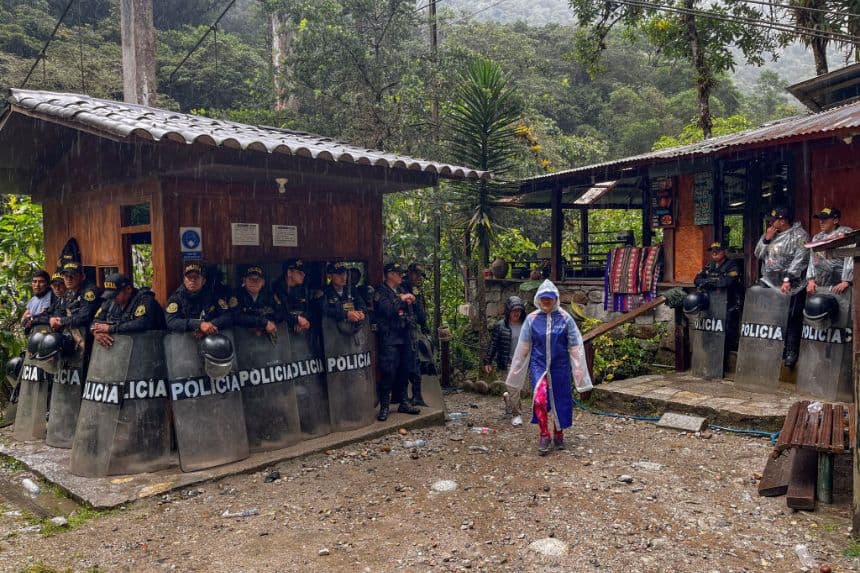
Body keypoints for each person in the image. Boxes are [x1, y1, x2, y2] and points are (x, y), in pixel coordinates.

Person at [505, 280, 593, 456]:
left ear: (555, 299)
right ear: (538, 299)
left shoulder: (565, 319)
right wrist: (516, 370)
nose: (546, 301)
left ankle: (558, 433)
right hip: (539, 366)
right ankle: (544, 434)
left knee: (560, 400)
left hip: (560, 366)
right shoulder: (531, 319)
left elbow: (575, 345)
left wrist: (578, 369)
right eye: (543, 298)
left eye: (549, 298)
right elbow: (523, 346)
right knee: (539, 399)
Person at [753, 206, 810, 367]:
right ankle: (772, 350)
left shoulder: (799, 235)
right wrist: (766, 239)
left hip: (792, 285)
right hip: (771, 283)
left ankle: (791, 352)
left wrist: (788, 279)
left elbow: (801, 259)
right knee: (772, 317)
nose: (771, 223)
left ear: (783, 220)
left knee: (792, 318)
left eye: (774, 220)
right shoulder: (771, 233)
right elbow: (758, 254)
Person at [374, 262, 421, 420]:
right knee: (389, 371)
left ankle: (403, 402)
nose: (401, 276)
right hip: (389, 337)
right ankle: (385, 406)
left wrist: (410, 316)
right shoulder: (381, 291)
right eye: (397, 273)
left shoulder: (401, 290)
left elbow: (409, 311)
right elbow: (387, 310)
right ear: (389, 274)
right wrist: (401, 299)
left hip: (404, 335)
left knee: (405, 369)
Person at [91, 273, 164, 348]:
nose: (113, 298)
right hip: (122, 350)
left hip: (148, 347)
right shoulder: (111, 301)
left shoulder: (145, 299)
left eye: (116, 295)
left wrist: (111, 329)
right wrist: (96, 332)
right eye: (110, 295)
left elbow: (142, 323)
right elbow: (95, 321)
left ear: (128, 289)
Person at [484, 296, 527, 426]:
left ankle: (508, 398)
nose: (516, 313)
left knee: (519, 390)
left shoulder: (526, 325)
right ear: (508, 311)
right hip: (507, 362)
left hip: (523, 362)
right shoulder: (500, 326)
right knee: (514, 388)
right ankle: (516, 414)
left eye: (519, 310)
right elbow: (493, 344)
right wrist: (487, 361)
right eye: (514, 310)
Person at [694, 242, 743, 349]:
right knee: (711, 328)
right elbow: (697, 280)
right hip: (711, 301)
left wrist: (708, 282)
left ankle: (728, 352)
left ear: (724, 252)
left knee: (727, 330)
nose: (715, 253)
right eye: (712, 251)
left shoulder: (732, 265)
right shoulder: (709, 265)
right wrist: (712, 281)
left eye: (718, 251)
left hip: (728, 302)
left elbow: (728, 282)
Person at [165, 262, 233, 336]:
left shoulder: (213, 295)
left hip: (210, 339)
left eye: (196, 277)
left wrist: (209, 326)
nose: (192, 280)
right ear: (184, 280)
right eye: (189, 277)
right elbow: (171, 321)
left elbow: (227, 316)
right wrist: (198, 325)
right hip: (184, 341)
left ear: (203, 281)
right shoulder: (176, 298)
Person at [402, 262, 430, 406]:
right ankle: (411, 396)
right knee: (411, 363)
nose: (419, 277)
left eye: (420, 275)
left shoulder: (415, 288)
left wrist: (424, 325)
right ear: (410, 272)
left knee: (415, 362)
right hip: (405, 329)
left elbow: (420, 309)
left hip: (413, 328)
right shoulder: (404, 286)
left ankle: (416, 395)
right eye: (417, 274)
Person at [807, 207, 853, 295]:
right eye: (820, 219)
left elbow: (850, 258)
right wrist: (810, 280)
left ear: (835, 220)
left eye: (824, 219)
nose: (821, 222)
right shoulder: (817, 238)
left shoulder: (845, 234)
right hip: (819, 284)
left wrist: (847, 281)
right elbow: (812, 261)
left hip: (841, 284)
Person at [49, 261, 101, 335]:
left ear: (82, 277)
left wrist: (61, 321)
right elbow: (60, 310)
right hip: (75, 331)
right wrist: (55, 319)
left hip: (91, 332)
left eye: (72, 276)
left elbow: (84, 317)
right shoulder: (69, 292)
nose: (68, 279)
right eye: (66, 276)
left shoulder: (89, 292)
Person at [230, 266, 281, 337]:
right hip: (242, 337)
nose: (254, 282)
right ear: (244, 281)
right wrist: (263, 322)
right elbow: (236, 316)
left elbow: (280, 312)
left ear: (263, 282)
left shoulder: (269, 295)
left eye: (257, 280)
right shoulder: (237, 295)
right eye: (250, 279)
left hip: (266, 335)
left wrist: (271, 322)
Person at [275, 258, 312, 334]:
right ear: (289, 272)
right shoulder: (276, 288)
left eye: (304, 272)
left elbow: (308, 309)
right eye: (299, 272)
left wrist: (303, 319)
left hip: (300, 333)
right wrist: (296, 319)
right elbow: (277, 313)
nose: (303, 275)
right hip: (280, 332)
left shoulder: (303, 289)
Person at [21, 270, 54, 334]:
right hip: (33, 334)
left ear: (47, 284)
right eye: (34, 281)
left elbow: (43, 314)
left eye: (41, 282)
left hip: (46, 333)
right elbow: (23, 319)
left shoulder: (51, 296)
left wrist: (30, 318)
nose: (37, 285)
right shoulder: (33, 299)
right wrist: (27, 319)